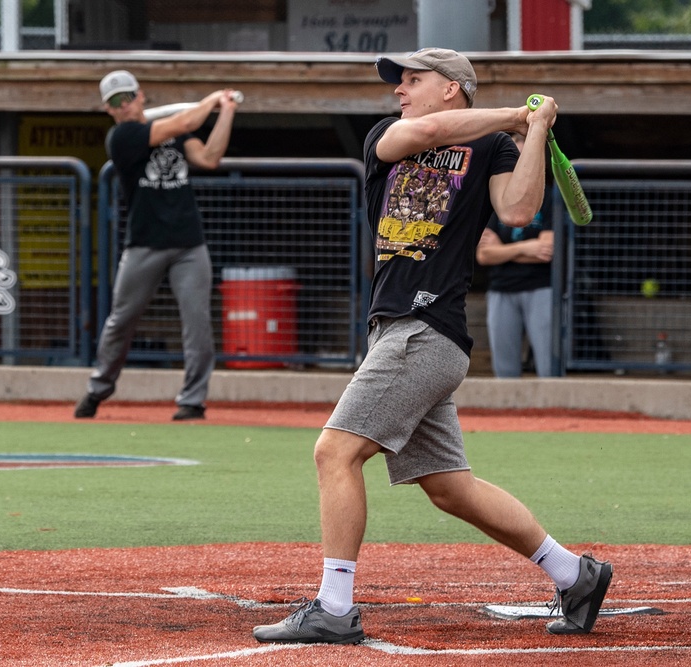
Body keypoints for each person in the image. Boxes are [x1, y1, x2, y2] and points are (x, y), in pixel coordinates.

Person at [252, 48, 612, 645]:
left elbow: (519, 210)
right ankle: (575, 574)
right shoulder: (388, 135)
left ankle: (335, 608)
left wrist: (536, 130)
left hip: (426, 330)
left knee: (334, 453)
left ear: (452, 87)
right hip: (396, 331)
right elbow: (434, 131)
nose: (399, 89)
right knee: (448, 485)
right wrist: (513, 115)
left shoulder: (496, 147)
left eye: (413, 80)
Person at [74, 70, 238, 421]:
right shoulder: (123, 136)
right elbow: (178, 124)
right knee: (122, 319)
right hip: (144, 244)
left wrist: (225, 111)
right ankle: (97, 389)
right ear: (109, 109)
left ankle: (192, 401)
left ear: (140, 96)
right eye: (117, 102)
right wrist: (209, 100)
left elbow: (209, 157)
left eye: (129, 97)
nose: (125, 105)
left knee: (197, 323)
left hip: (188, 244)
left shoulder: (174, 130)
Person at [475, 133, 555, 377]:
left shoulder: (549, 196)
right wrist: (524, 249)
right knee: (505, 371)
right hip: (501, 289)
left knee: (548, 368)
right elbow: (484, 255)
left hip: (540, 288)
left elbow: (546, 251)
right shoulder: (494, 198)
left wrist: (504, 250)